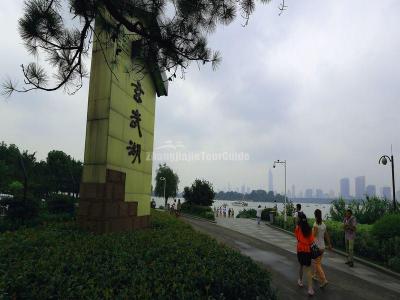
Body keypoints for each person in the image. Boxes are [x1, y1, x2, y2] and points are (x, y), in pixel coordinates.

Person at [295, 212, 315, 296]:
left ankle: (300, 280)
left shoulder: (298, 228)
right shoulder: (309, 228)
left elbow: (297, 237)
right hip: (307, 250)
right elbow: (311, 241)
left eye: (297, 218)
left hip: (300, 249)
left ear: (299, 219)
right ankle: (310, 289)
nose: (296, 219)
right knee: (308, 269)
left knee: (301, 265)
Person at [312, 209, 332, 288]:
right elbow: (326, 235)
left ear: (315, 215)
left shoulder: (316, 224)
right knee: (318, 262)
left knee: (317, 264)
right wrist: (329, 244)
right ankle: (315, 275)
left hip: (317, 247)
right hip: (322, 247)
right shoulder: (323, 224)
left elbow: (313, 236)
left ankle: (324, 280)